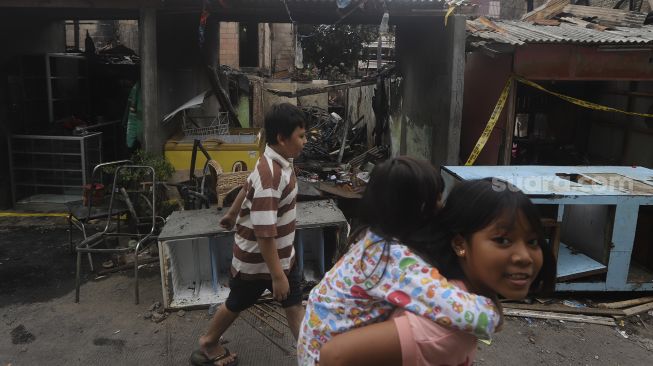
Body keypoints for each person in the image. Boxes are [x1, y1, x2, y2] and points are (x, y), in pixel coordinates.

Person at [318, 178, 557, 366]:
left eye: (533, 241)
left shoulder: (451, 295)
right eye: (503, 240)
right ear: (460, 244)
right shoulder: (443, 329)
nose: (524, 257)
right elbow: (334, 356)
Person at [297, 158, 503, 366]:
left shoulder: (371, 239)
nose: (441, 208)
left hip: (313, 350)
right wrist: (493, 308)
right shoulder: (392, 261)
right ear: (418, 209)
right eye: (436, 199)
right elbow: (471, 316)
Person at [190, 103, 307, 366]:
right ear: (281, 138)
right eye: (300, 136)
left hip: (281, 258)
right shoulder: (270, 176)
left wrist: (232, 213)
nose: (304, 141)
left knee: (294, 304)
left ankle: (309, 354)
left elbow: (246, 185)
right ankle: (208, 342)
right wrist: (277, 276)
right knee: (236, 303)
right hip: (258, 264)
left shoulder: (274, 160)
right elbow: (265, 234)